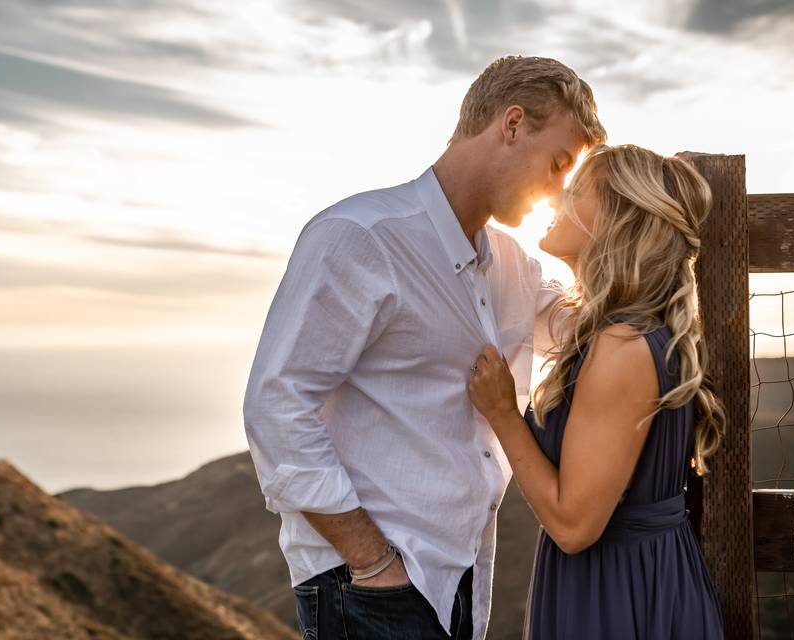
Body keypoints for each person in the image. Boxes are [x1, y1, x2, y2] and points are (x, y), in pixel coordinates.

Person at [242, 55, 606, 640]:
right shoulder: (360, 237)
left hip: (460, 574)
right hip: (371, 583)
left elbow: (591, 334)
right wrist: (372, 562)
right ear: (512, 125)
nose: (559, 191)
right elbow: (275, 406)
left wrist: (608, 241)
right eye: (559, 164)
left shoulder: (512, 265)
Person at [467, 144, 726, 639]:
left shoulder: (623, 345)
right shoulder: (619, 330)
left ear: (617, 220)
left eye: (580, 188)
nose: (560, 196)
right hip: (634, 583)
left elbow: (572, 525)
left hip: (620, 598)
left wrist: (503, 413)